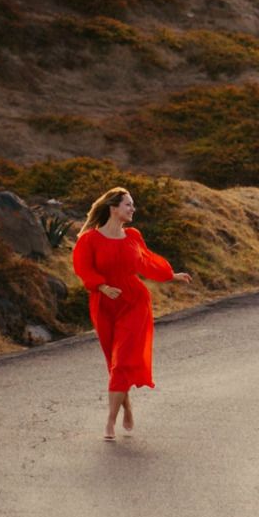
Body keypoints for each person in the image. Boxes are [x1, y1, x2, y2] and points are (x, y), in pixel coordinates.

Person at [70, 187, 191, 441]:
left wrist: (171, 275)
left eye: (132, 205)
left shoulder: (133, 236)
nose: (133, 209)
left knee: (123, 360)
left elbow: (146, 262)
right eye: (128, 204)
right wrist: (102, 286)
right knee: (114, 363)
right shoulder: (89, 240)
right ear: (113, 208)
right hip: (104, 305)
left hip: (134, 303)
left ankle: (109, 422)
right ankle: (126, 406)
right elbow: (83, 268)